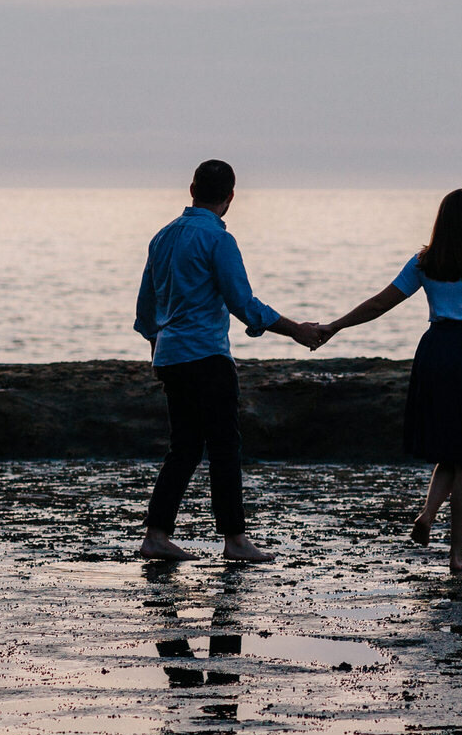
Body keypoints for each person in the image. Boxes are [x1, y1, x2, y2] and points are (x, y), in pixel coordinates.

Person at [314, 188, 462, 574]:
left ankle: (427, 514)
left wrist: (336, 325)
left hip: (436, 352)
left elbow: (380, 302)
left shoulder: (425, 262)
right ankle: (457, 554)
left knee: (451, 449)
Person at [134, 160, 323, 565]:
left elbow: (146, 306)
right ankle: (234, 540)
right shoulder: (218, 240)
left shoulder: (162, 237)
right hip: (206, 356)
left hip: (171, 356)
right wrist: (297, 331)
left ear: (191, 189)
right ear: (230, 197)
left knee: (183, 448)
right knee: (223, 448)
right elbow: (243, 304)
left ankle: (156, 534)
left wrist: (157, 348)